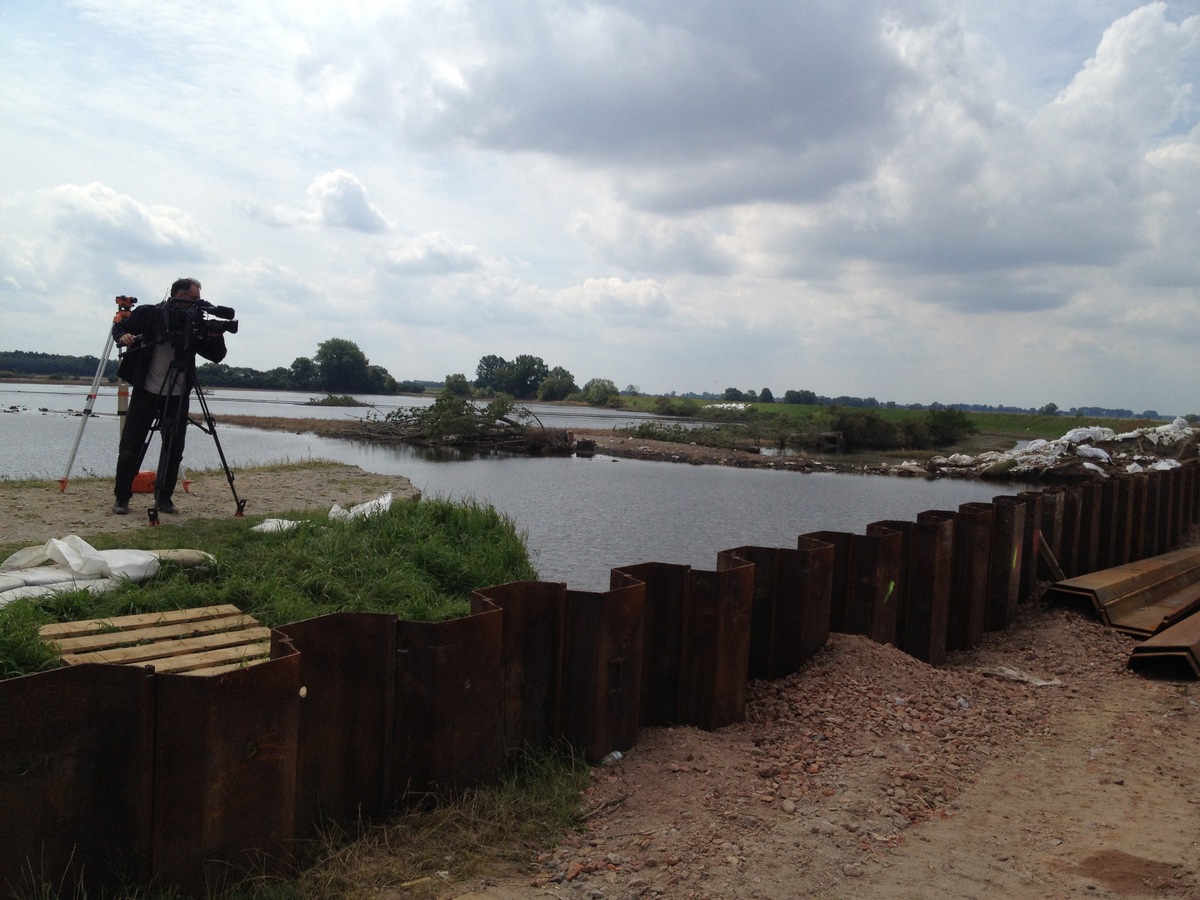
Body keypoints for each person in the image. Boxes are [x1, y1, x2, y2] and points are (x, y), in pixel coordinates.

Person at [111, 277, 227, 514]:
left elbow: (217, 356)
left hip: (177, 395)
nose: (196, 304)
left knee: (173, 449)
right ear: (179, 295)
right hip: (147, 390)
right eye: (193, 299)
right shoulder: (150, 314)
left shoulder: (195, 323)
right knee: (131, 446)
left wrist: (216, 335)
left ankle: (164, 498)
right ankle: (122, 498)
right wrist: (122, 337)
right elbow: (120, 328)